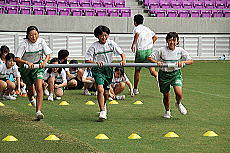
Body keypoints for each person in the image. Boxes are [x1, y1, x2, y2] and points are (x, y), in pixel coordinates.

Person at [148, 32, 193, 119]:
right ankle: (167, 111)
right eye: (170, 40)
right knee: (166, 95)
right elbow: (150, 57)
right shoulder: (161, 50)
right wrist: (157, 62)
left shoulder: (180, 51)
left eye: (174, 40)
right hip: (164, 74)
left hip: (176, 73)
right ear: (167, 41)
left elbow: (190, 60)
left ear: (177, 41)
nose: (172, 42)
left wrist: (183, 62)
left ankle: (178, 103)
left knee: (179, 93)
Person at [85, 25, 126, 122]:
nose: (104, 38)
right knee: (100, 89)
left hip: (108, 70)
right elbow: (87, 60)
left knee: (106, 93)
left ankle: (104, 105)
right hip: (98, 70)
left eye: (106, 35)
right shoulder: (94, 46)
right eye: (102, 36)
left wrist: (123, 60)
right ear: (98, 36)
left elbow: (122, 53)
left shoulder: (111, 44)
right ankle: (102, 111)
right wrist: (96, 63)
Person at [15, 25, 52, 121]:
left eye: (35, 34)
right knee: (30, 90)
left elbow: (48, 54)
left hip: (38, 68)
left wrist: (44, 62)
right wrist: (26, 62)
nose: (34, 37)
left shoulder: (41, 41)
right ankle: (31, 98)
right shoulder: (23, 44)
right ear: (27, 35)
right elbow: (17, 58)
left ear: (38, 34)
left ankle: (38, 112)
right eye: (31, 35)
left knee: (39, 88)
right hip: (26, 69)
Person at [131, 14, 158, 95]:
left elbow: (137, 34)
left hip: (141, 51)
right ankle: (158, 77)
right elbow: (155, 37)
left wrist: (134, 44)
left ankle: (135, 89)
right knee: (152, 70)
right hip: (149, 51)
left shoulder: (136, 28)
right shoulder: (147, 29)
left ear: (135, 22)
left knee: (137, 70)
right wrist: (150, 44)